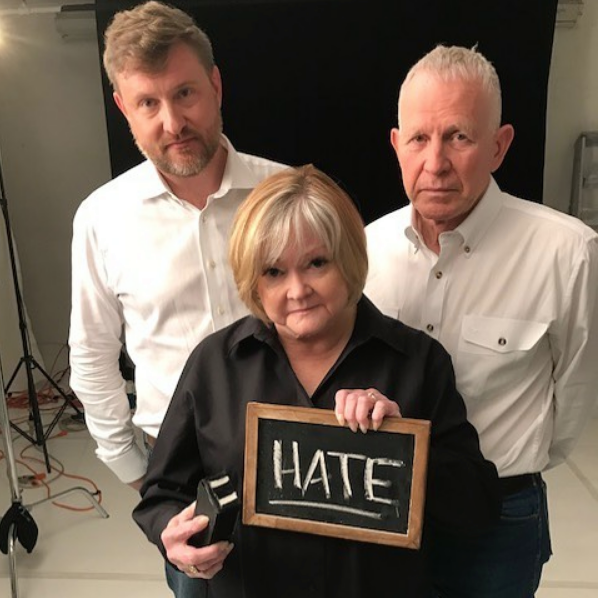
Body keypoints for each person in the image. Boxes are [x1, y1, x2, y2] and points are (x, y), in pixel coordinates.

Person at [132, 164, 501, 598]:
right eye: (273, 272)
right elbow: (161, 493)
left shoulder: (417, 361)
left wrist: (404, 447)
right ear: (252, 280)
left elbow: (477, 508)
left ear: (348, 260)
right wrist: (170, 535)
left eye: (316, 263)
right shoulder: (215, 363)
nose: (297, 289)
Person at [68, 2, 286, 596]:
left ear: (215, 86)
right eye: (148, 103)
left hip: (295, 454)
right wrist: (141, 478)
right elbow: (91, 357)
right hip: (183, 473)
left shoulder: (285, 193)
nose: (172, 121)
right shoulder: (102, 220)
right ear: (123, 109)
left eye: (185, 93)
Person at [365, 44, 598, 598]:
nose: (436, 161)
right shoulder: (363, 251)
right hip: (382, 504)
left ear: (500, 146)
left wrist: (512, 466)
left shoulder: (568, 253)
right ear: (397, 146)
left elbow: (574, 396)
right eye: (419, 138)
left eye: (459, 137)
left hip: (501, 516)